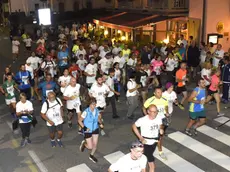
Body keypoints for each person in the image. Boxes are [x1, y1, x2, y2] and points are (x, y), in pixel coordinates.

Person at [133, 104, 164, 172]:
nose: (154, 113)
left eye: (156, 111)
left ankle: (137, 163)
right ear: (148, 111)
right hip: (146, 143)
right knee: (152, 164)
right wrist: (141, 138)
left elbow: (161, 124)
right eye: (152, 111)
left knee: (143, 157)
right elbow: (134, 126)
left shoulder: (158, 118)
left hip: (154, 142)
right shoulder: (142, 120)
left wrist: (161, 129)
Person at [143, 87, 169, 161]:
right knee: (158, 137)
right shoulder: (150, 100)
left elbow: (166, 106)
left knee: (160, 136)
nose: (160, 94)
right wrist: (146, 116)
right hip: (154, 120)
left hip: (162, 120)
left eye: (161, 92)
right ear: (154, 93)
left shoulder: (164, 99)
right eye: (158, 92)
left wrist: (166, 112)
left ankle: (156, 147)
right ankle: (160, 152)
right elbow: (144, 107)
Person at [78, 98, 103, 163]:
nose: (94, 106)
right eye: (92, 104)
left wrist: (100, 123)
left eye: (95, 104)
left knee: (95, 145)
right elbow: (79, 121)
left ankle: (91, 155)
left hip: (95, 129)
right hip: (88, 130)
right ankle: (84, 144)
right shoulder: (86, 112)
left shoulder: (96, 110)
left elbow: (98, 118)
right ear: (89, 104)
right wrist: (85, 128)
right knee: (90, 147)